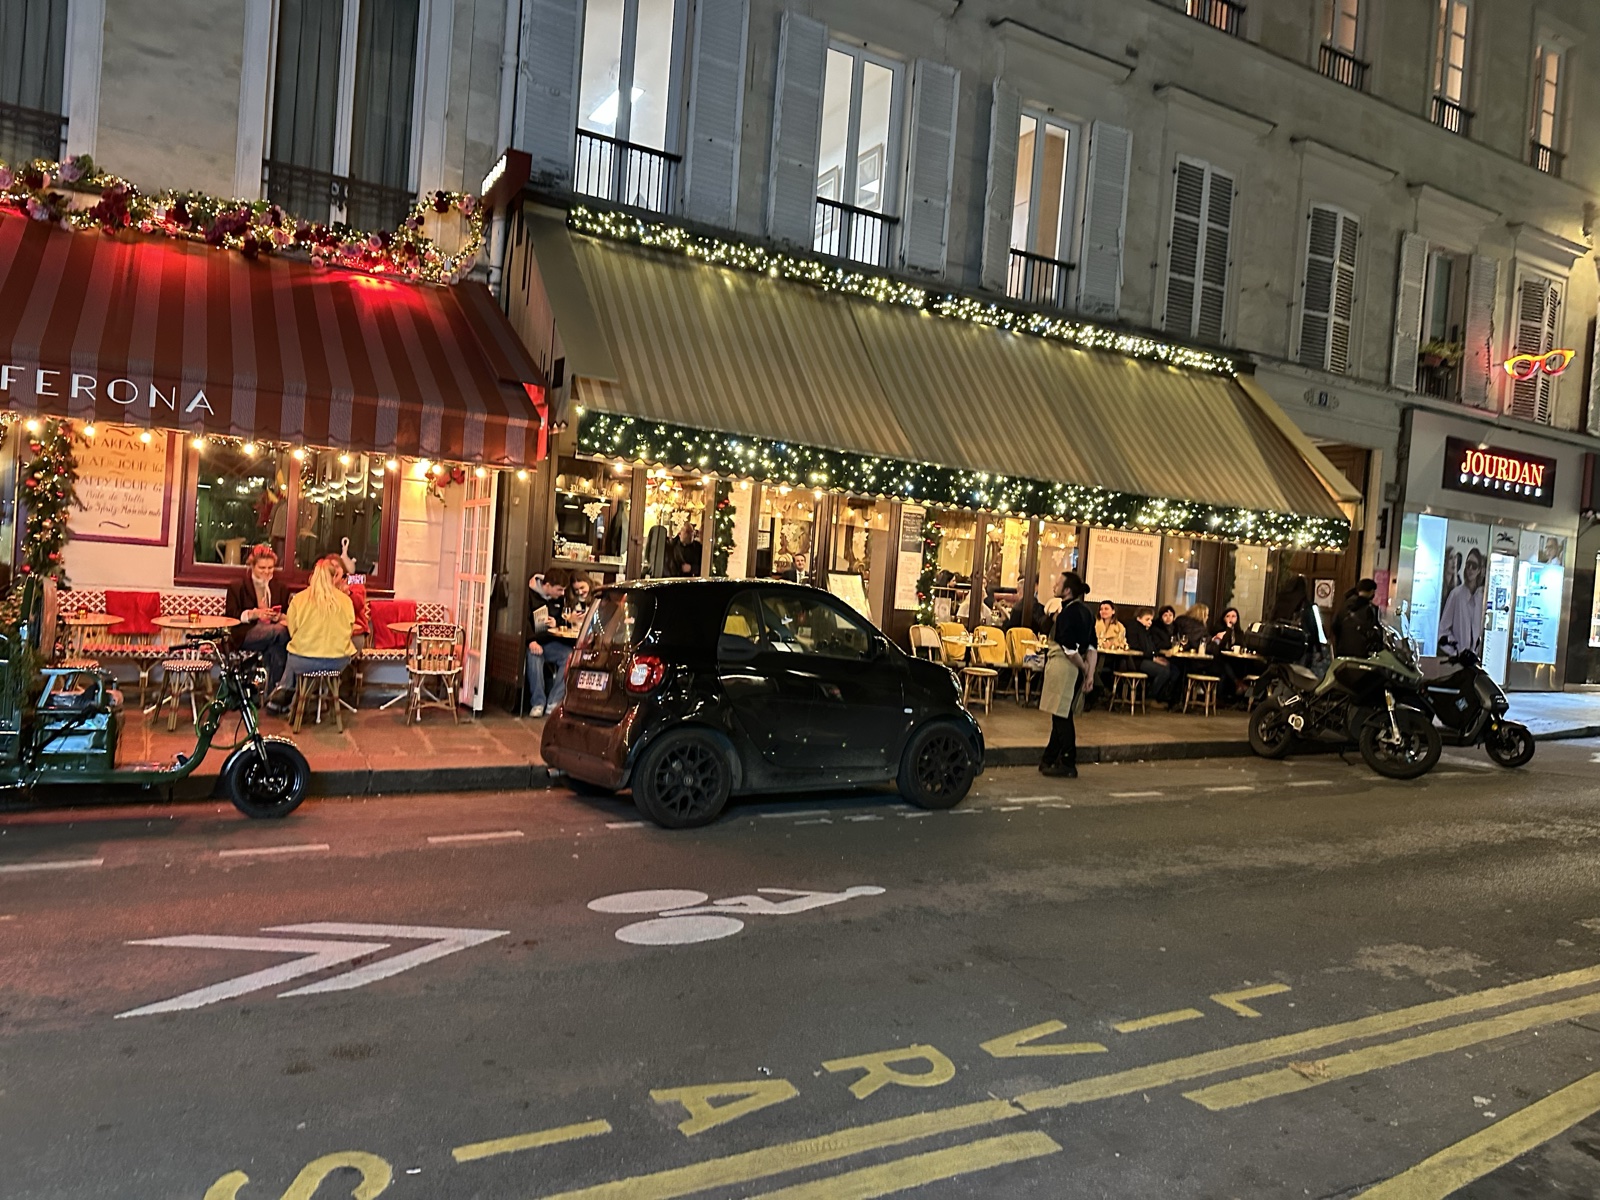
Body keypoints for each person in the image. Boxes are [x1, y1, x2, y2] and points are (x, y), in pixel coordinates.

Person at [264, 556, 356, 715]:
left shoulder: (299, 599)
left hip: (304, 662)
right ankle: (312, 699)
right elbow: (350, 629)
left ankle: (286, 693)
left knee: (293, 652)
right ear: (334, 576)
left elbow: (293, 632)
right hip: (337, 662)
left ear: (313, 576)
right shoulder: (346, 601)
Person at [1037, 571, 1097, 779]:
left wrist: (1084, 668)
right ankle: (1049, 758)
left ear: (1068, 590)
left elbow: (1069, 650)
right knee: (1061, 712)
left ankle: (1068, 762)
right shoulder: (1087, 612)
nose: (1054, 586)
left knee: (1061, 716)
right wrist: (1089, 673)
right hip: (1076, 668)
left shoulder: (1068, 613)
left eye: (1058, 583)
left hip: (1064, 666)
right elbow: (1092, 646)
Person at [224, 544, 292, 693]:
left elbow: (288, 615)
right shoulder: (238, 587)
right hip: (246, 633)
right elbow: (230, 616)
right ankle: (284, 690)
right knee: (282, 632)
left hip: (272, 635)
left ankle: (272, 696)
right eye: (262, 568)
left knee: (277, 649)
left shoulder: (280, 588)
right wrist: (253, 614)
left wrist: (279, 616)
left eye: (270, 568)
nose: (267, 572)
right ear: (252, 566)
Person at [526, 567, 571, 717]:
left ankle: (554, 701)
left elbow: (563, 618)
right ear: (547, 585)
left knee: (569, 656)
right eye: (559, 589)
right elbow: (523, 620)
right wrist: (531, 640)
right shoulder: (529, 594)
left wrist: (556, 622)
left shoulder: (559, 599)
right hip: (533, 641)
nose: (562, 593)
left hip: (551, 641)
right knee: (534, 655)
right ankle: (538, 702)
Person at [1437, 551, 1485, 659]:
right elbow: (1442, 631)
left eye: (1474, 566)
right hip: (1458, 660)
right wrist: (1457, 652)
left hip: (1476, 661)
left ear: (1479, 570)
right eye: (1468, 565)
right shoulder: (1456, 595)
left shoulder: (1481, 598)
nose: (1470, 569)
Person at [1124, 607, 1172, 702]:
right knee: (1164, 672)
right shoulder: (1135, 629)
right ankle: (1150, 697)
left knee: (1168, 666)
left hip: (1145, 658)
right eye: (1147, 619)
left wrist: (1155, 656)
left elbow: (1150, 647)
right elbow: (1138, 648)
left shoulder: (1145, 630)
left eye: (1151, 620)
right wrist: (1153, 658)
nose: (1150, 622)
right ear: (1139, 618)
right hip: (1136, 660)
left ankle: (1157, 696)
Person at [1334, 578, 1384, 659]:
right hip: (1361, 651)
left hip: (1342, 649)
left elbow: (1335, 625)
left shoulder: (1344, 604)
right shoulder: (1370, 609)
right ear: (1372, 591)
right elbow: (1372, 630)